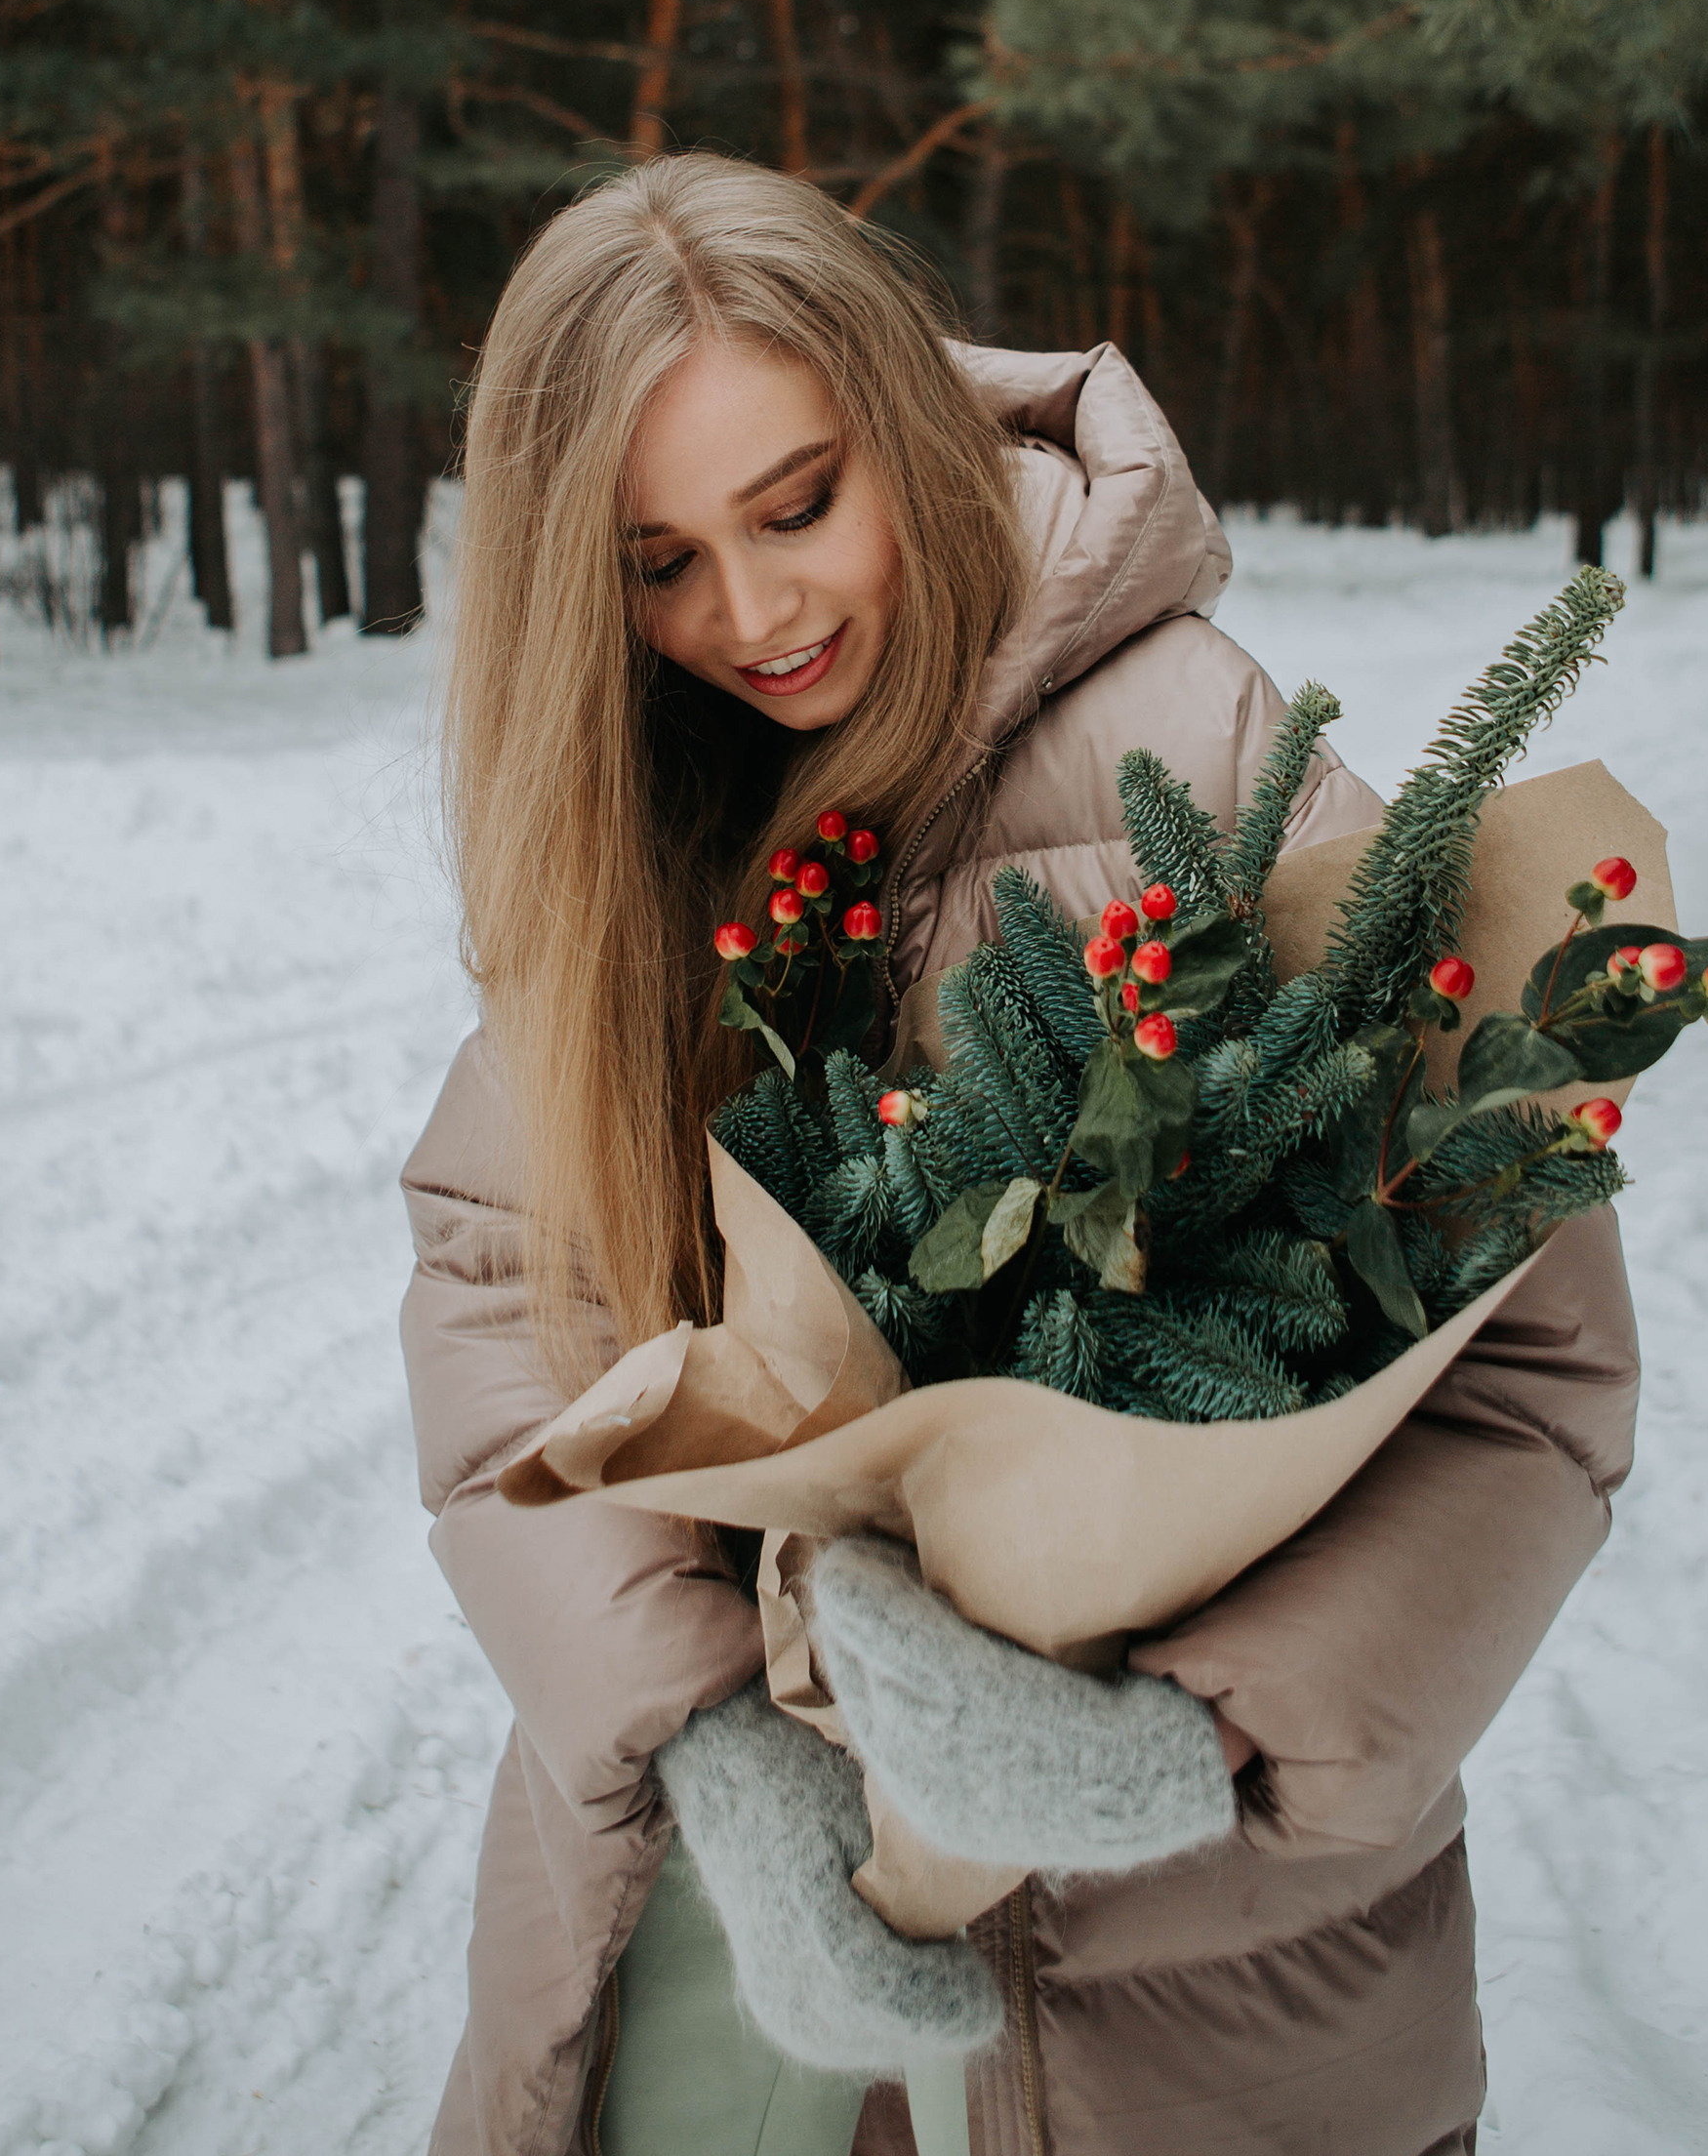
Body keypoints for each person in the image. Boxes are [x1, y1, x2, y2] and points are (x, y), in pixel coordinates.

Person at [399, 155, 1640, 2156]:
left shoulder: (1220, 765)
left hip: (1197, 1973)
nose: (754, 610)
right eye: (658, 562)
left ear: (902, 415)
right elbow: (494, 1294)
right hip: (725, 1954)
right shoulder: (631, 817)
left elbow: (1526, 1373)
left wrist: (1205, 1734)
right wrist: (704, 1730)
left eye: (798, 504)